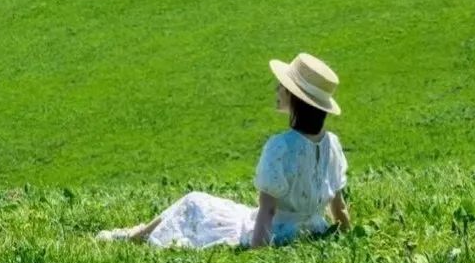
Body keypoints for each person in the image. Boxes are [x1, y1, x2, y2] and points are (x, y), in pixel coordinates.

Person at [97, 52, 349, 248]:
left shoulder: (280, 147)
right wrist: (347, 233)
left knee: (193, 201)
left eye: (282, 86)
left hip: (276, 233)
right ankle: (137, 233)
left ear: (295, 98)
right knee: (211, 206)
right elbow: (338, 207)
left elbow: (267, 211)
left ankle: (136, 235)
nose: (277, 89)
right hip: (314, 228)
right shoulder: (333, 144)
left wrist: (258, 254)